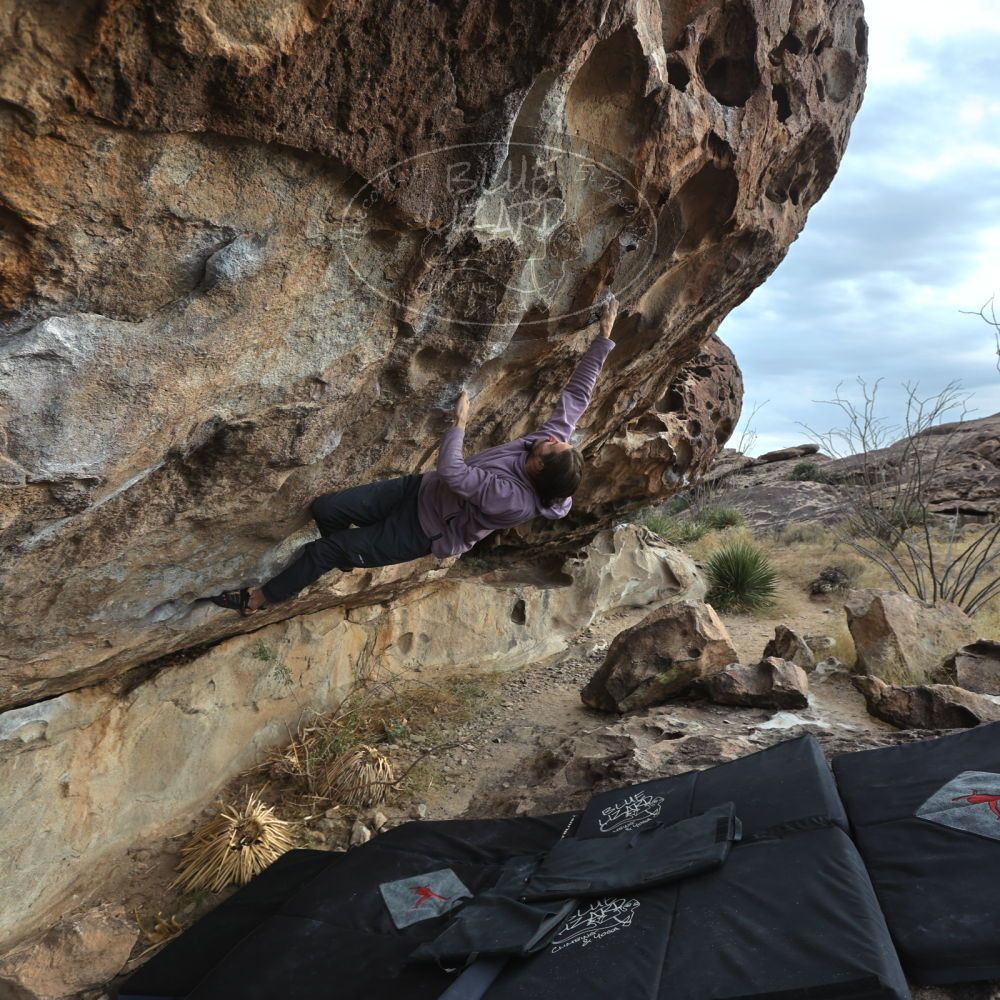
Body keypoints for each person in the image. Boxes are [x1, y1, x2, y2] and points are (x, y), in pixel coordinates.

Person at [210, 294, 619, 616]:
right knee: (327, 508)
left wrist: (459, 423)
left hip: (422, 532)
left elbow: (454, 472)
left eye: (554, 445)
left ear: (539, 466)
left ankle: (260, 598)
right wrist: (603, 339)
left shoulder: (514, 500)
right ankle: (351, 551)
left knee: (322, 552)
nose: (553, 437)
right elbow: (576, 399)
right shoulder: (546, 449)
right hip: (418, 491)